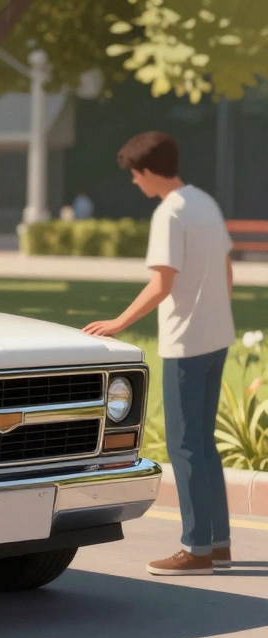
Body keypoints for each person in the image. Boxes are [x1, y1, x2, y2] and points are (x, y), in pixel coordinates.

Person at [83, 131, 235, 576]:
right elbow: (226, 272)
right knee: (205, 444)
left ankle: (196, 549)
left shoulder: (170, 214)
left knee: (185, 445)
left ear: (148, 171)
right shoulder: (204, 202)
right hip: (216, 337)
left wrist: (116, 323)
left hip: (186, 343)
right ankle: (218, 541)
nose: (134, 182)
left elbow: (161, 284)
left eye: (134, 174)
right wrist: (214, 317)